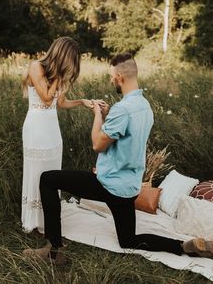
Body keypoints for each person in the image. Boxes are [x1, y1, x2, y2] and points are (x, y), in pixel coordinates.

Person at [23, 52, 213, 262]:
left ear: (120, 77)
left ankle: (54, 250)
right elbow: (125, 138)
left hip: (109, 186)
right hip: (129, 189)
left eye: (112, 75)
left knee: (48, 179)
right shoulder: (145, 107)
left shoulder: (122, 110)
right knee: (128, 239)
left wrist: (97, 115)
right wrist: (107, 116)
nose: (111, 79)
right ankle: (185, 246)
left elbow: (97, 144)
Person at [21, 37, 93, 234]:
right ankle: (33, 220)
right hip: (36, 128)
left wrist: (81, 102)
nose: (72, 66)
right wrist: (59, 78)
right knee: (37, 171)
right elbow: (45, 99)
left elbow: (60, 103)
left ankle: (48, 217)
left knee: (52, 171)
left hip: (52, 129)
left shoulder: (58, 77)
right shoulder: (36, 66)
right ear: (62, 56)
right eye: (71, 60)